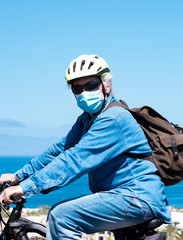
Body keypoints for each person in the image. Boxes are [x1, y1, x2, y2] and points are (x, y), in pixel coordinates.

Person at [0, 54, 171, 239]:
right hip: (122, 196)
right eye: (77, 88)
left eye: (90, 86)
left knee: (61, 216)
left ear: (107, 85)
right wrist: (18, 176)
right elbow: (59, 150)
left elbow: (74, 160)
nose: (83, 93)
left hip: (137, 197)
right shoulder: (87, 120)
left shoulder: (113, 119)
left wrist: (26, 188)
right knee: (57, 214)